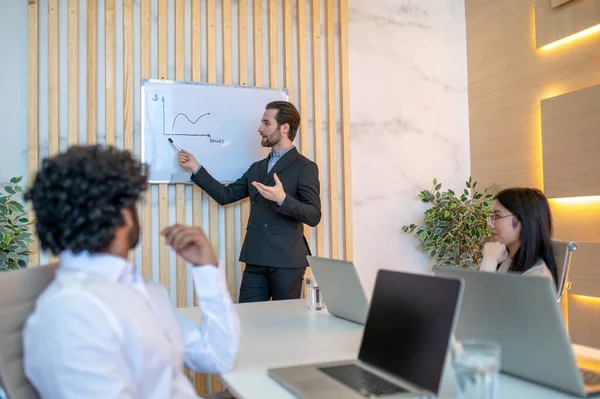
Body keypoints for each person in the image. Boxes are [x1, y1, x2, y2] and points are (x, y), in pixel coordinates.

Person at [23, 146, 239, 399]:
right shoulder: (71, 312)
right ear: (124, 215)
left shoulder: (140, 288)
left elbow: (217, 357)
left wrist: (207, 271)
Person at [178, 101, 321, 303]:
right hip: (255, 258)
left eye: (266, 123)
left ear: (284, 128)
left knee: (285, 328)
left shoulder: (305, 167)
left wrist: (282, 199)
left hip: (287, 261)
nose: (259, 128)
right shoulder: (257, 168)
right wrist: (196, 168)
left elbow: (314, 215)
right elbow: (225, 196)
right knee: (248, 322)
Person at [479, 187, 558, 286]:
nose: (491, 224)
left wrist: (489, 262)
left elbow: (481, 300)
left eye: (497, 216)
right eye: (492, 217)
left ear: (524, 221)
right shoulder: (504, 258)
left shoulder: (537, 278)